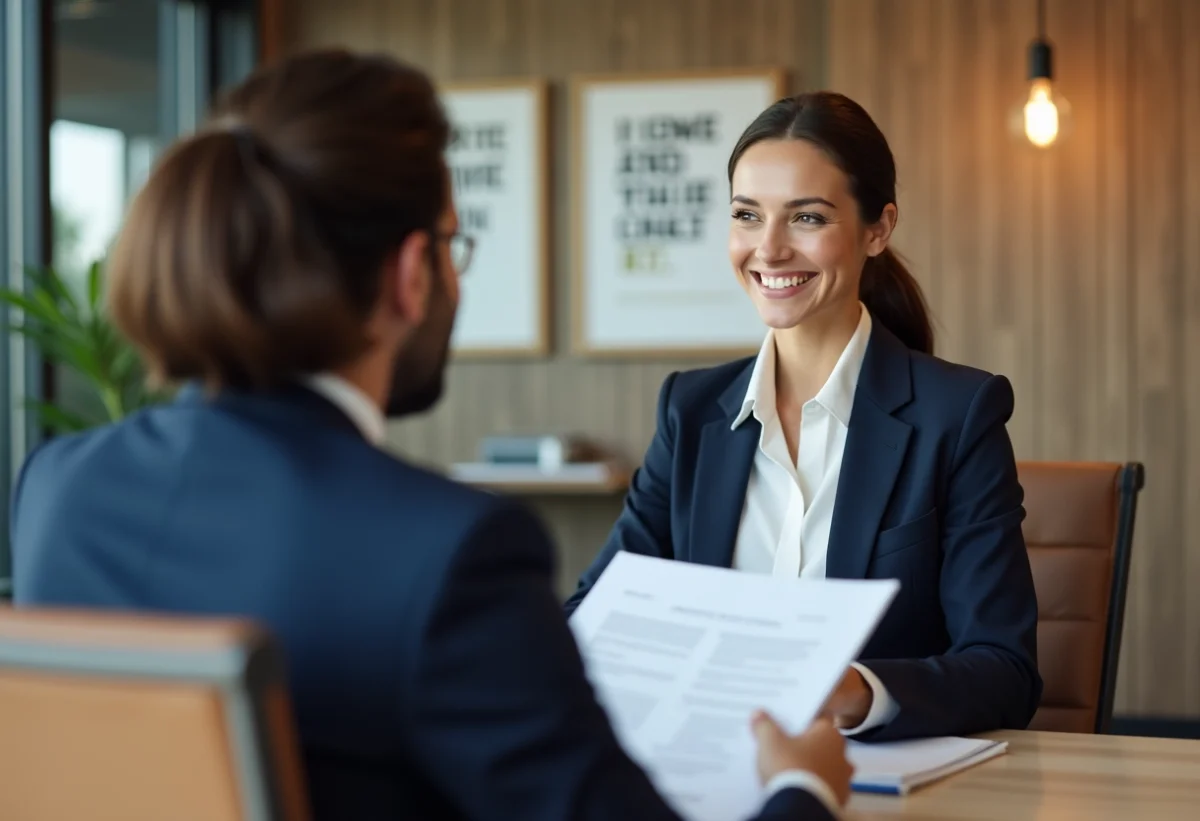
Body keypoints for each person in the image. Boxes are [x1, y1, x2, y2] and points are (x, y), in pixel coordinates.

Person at [8, 51, 851, 821]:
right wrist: (803, 787)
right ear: (413, 273)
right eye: (454, 244)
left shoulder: (58, 488)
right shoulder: (449, 553)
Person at [565, 92, 1042, 742]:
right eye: (746, 215)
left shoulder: (956, 417)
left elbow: (1005, 670)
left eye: (807, 218)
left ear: (878, 228)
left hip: (870, 788)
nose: (769, 248)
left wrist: (855, 691)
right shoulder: (692, 411)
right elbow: (593, 616)